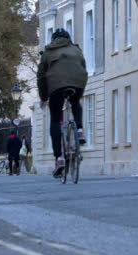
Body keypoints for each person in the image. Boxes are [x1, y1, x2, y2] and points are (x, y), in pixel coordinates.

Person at [37, 28, 88, 177]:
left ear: (53, 39)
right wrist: (80, 90)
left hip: (56, 86)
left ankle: (59, 158)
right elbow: (83, 67)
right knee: (76, 103)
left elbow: (41, 77)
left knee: (55, 119)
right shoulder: (76, 49)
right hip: (78, 82)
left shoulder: (47, 52)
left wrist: (44, 97)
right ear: (68, 38)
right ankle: (79, 130)